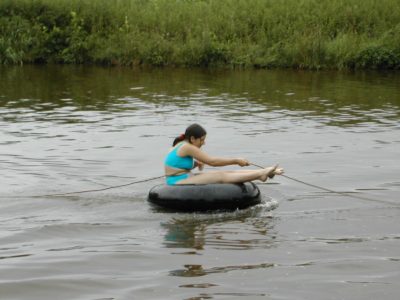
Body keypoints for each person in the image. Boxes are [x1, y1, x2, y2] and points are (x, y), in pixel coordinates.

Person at [164, 123, 284, 185]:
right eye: (202, 140)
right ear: (192, 139)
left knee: (228, 172)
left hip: (182, 176)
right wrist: (236, 160)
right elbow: (213, 162)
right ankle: (262, 173)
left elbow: (175, 164)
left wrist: (195, 164)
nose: (204, 143)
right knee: (220, 176)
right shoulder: (187, 147)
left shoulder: (182, 145)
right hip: (176, 181)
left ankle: (262, 174)